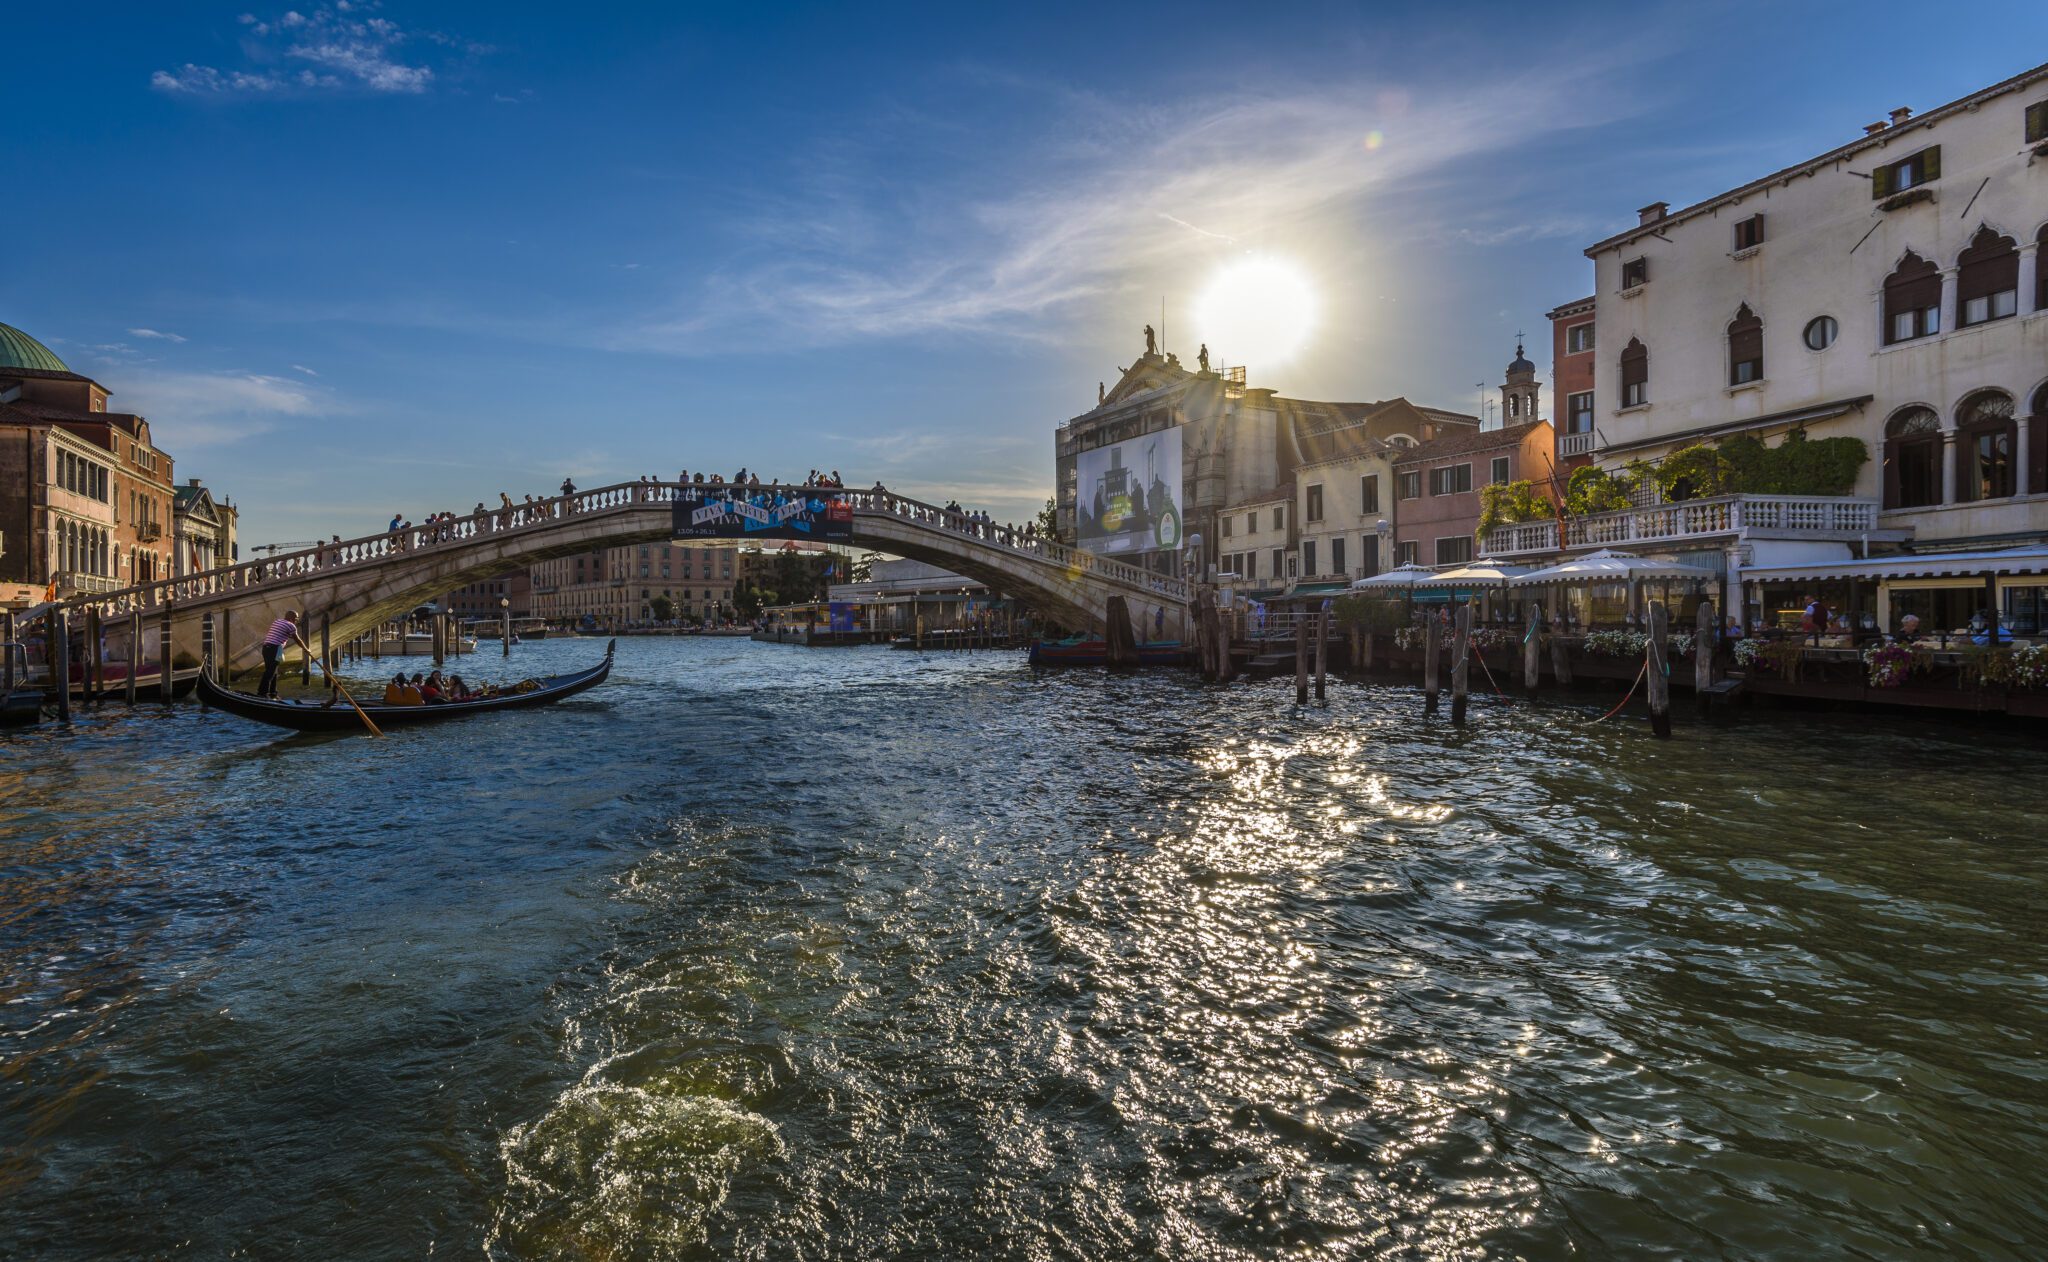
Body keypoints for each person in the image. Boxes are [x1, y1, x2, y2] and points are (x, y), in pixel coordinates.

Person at [257, 609, 300, 699]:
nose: (296, 620)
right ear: (291, 618)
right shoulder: (291, 625)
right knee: (270, 671)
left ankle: (273, 693)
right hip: (274, 649)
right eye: (296, 618)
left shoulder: (277, 622)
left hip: (266, 648)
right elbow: (297, 640)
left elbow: (284, 633)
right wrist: (306, 649)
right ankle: (262, 693)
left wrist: (289, 635)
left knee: (273, 671)